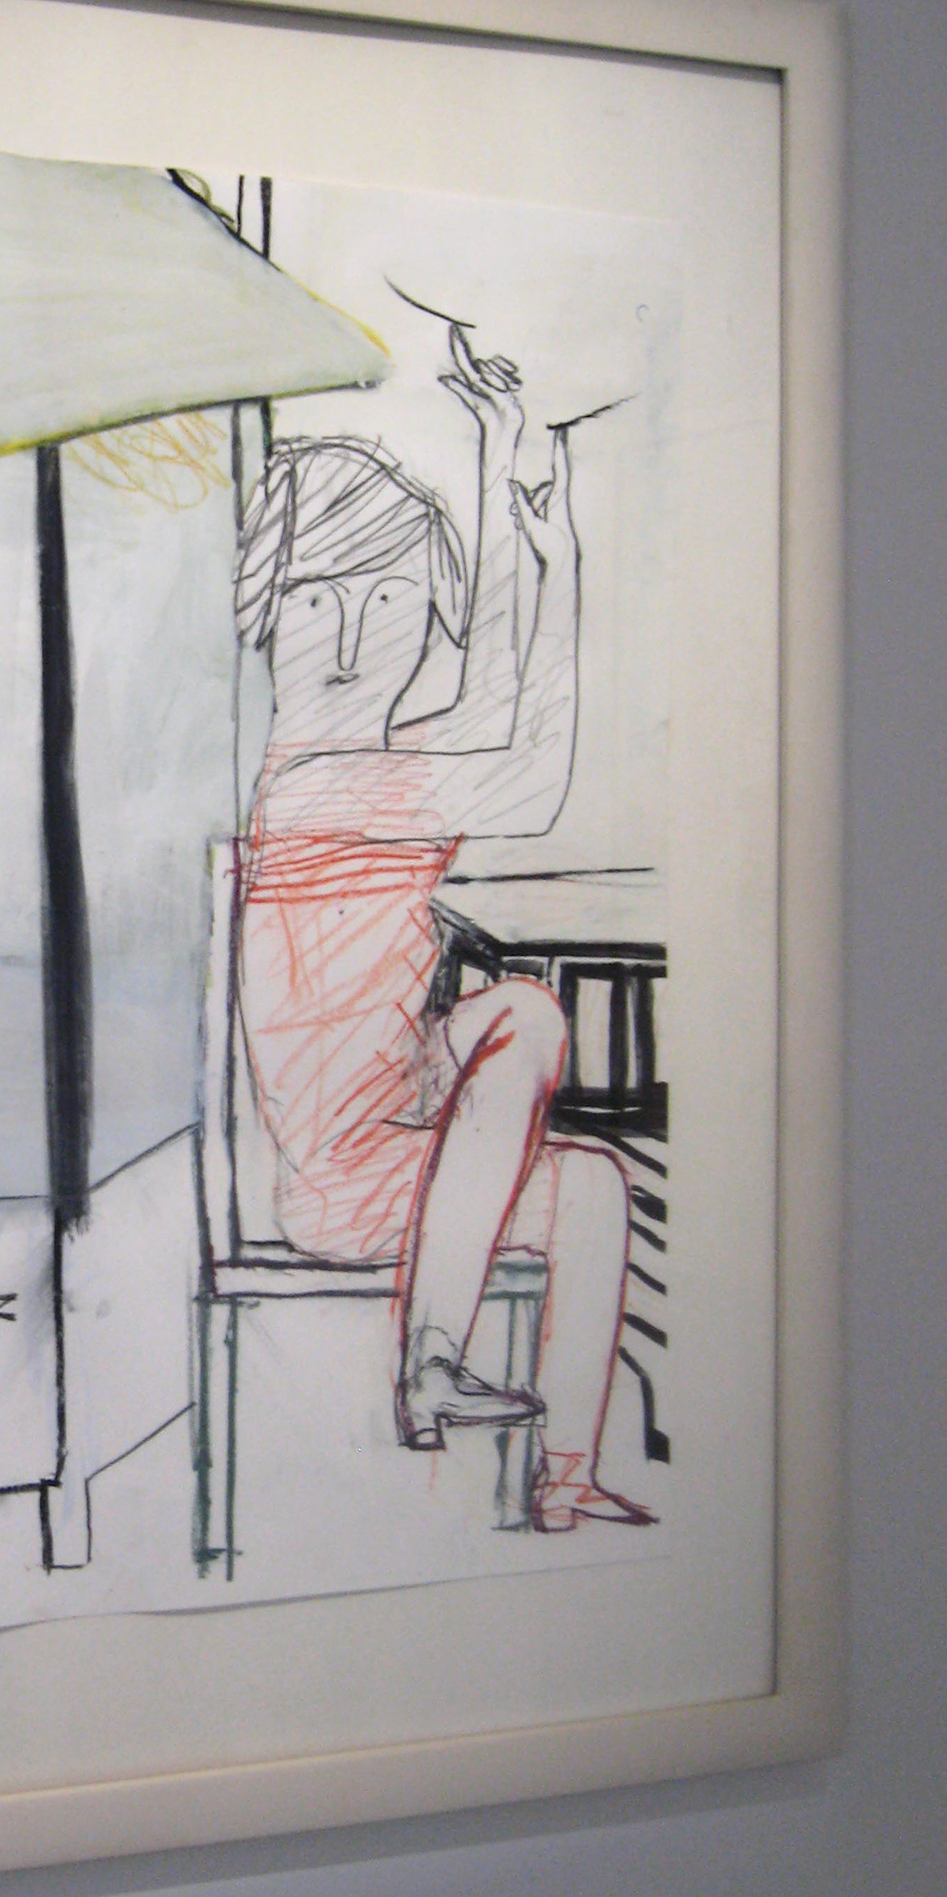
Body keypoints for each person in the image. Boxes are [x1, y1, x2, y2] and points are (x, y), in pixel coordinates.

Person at [234, 325, 650, 1531]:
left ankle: (559, 1473)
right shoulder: (318, 786)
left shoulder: (363, 769)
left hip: (387, 1118)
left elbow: (499, 699)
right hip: (341, 1185)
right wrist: (541, 530)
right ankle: (433, 1356)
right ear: (262, 609)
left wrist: (519, 483)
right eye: (316, 596)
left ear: (430, 617)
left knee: (535, 1041)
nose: (354, 631)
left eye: (391, 596)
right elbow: (527, 764)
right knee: (556, 1097)